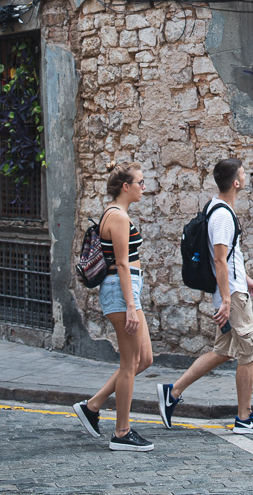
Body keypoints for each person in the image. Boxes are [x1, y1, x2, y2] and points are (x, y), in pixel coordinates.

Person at [156, 157, 253, 435]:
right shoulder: (223, 215)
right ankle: (244, 418)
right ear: (235, 183)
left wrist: (246, 278)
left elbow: (229, 256)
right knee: (248, 352)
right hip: (232, 296)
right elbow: (219, 260)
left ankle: (172, 393)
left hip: (233, 289)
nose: (245, 177)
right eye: (243, 174)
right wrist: (227, 299)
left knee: (223, 351)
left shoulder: (215, 207)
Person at [72, 162, 154, 451]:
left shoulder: (115, 213)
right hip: (122, 292)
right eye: (140, 182)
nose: (144, 187)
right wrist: (131, 305)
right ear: (126, 187)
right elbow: (121, 264)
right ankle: (121, 432)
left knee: (145, 359)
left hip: (127, 290)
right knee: (129, 364)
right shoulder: (117, 217)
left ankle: (92, 405)